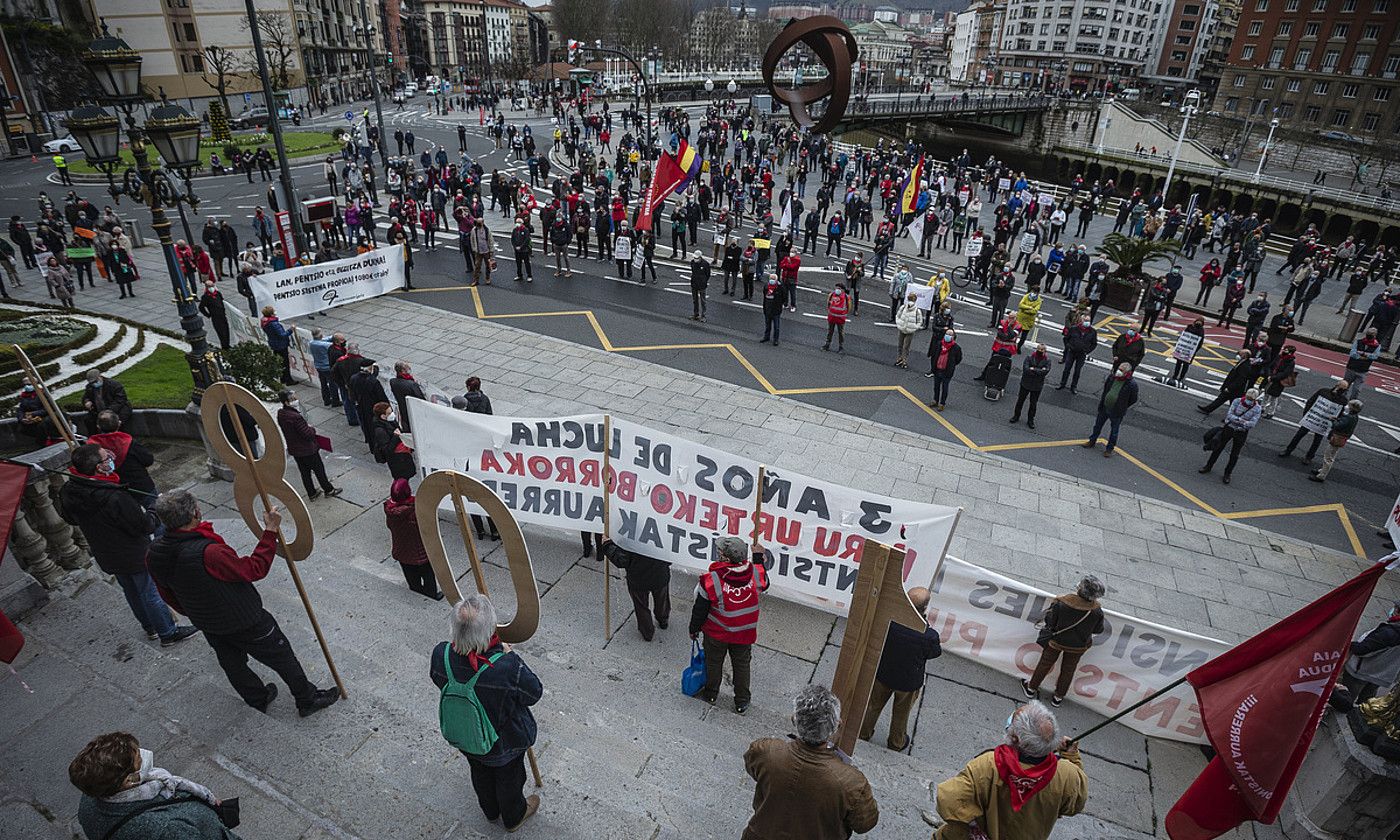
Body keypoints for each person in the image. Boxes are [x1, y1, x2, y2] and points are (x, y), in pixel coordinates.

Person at [146, 490, 340, 716]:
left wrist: (194, 612)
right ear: (195, 514)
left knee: (232, 664)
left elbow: (166, 593)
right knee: (282, 656)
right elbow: (253, 569)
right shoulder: (209, 552)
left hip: (208, 622)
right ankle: (306, 699)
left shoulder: (154, 553)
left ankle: (257, 698)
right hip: (243, 619)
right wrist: (270, 532)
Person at [57, 444, 197, 647]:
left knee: (131, 590)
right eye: (106, 458)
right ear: (98, 467)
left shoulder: (70, 490)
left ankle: (150, 627)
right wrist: (153, 508)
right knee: (150, 592)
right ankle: (168, 632)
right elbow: (145, 526)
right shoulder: (114, 496)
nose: (110, 460)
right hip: (133, 553)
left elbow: (70, 519)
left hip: (106, 552)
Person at [431, 594, 542, 832]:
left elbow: (437, 679)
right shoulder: (505, 667)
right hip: (505, 742)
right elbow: (534, 693)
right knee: (510, 779)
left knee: (479, 772)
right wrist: (512, 656)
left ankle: (490, 811)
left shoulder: (441, 655)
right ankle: (513, 816)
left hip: (467, 735)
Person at [931, 700, 1087, 839]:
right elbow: (1075, 804)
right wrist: (1072, 756)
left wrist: (973, 827)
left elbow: (948, 800)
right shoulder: (1068, 775)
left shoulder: (988, 765)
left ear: (1015, 739)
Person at [742, 684, 880, 840]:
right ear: (837, 725)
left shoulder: (765, 752)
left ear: (794, 720)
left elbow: (751, 765)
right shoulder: (852, 782)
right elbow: (865, 823)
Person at [69, 732, 240, 840]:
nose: (145, 755)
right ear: (129, 780)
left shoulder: (90, 799)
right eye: (139, 760)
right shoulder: (166, 828)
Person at [689, 536, 770, 714]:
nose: (717, 554)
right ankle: (742, 701)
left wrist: (693, 629)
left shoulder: (711, 580)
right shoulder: (755, 574)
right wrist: (757, 558)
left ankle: (711, 694)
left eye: (720, 552)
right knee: (741, 666)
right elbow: (764, 581)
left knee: (714, 663)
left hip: (717, 634)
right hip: (744, 634)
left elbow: (700, 610)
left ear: (725, 558)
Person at [860, 587, 941, 751]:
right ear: (925, 608)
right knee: (901, 713)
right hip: (908, 682)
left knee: (873, 706)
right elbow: (934, 653)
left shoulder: (889, 622)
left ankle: (863, 733)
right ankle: (896, 742)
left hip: (884, 674)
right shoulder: (929, 636)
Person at [1022, 575, 1105, 706]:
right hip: (1078, 646)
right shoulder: (1096, 611)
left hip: (1056, 641)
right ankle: (1058, 697)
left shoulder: (1062, 603)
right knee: (1068, 670)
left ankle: (1031, 688)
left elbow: (1050, 621)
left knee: (1045, 663)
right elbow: (1098, 630)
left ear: (1081, 589)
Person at [600, 538, 671, 641]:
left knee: (641, 606)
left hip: (638, 579)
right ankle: (663, 620)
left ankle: (647, 633)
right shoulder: (664, 533)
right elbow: (672, 557)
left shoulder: (630, 535)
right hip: (660, 576)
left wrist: (607, 545)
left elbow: (621, 560)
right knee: (662, 600)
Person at [275, 390, 341, 499]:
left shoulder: (281, 414)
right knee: (319, 470)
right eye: (293, 399)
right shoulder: (296, 417)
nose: (296, 401)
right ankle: (328, 489)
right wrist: (311, 429)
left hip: (295, 449)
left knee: (305, 473)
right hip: (307, 449)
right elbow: (308, 434)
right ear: (286, 402)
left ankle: (312, 493)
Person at [385, 478, 442, 600]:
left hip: (401, 550)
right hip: (420, 551)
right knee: (428, 575)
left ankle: (416, 591)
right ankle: (431, 595)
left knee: (411, 575)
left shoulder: (389, 510)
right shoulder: (414, 510)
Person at [87, 410, 157, 504]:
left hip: (117, 490)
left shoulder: (94, 448)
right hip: (140, 485)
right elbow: (148, 460)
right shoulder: (128, 442)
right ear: (119, 423)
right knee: (156, 510)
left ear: (98, 427)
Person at [1280, 379, 1351, 465]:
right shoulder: (1323, 391)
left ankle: (1309, 457)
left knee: (1317, 440)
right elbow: (1310, 401)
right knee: (1299, 435)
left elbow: (1339, 413)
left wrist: (1332, 425)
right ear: (1337, 386)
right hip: (1312, 418)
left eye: (1344, 389)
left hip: (1323, 423)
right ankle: (1288, 450)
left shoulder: (1342, 400)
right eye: (1342, 388)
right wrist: (1306, 415)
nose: (1342, 391)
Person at [1200, 387, 1262, 484]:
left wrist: (1237, 420)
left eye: (1251, 399)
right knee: (1218, 447)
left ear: (1255, 400)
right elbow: (1229, 415)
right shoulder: (1237, 401)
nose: (1248, 401)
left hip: (1241, 432)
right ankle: (1208, 466)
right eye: (1248, 398)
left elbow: (1252, 424)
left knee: (1234, 454)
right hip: (1229, 429)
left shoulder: (1257, 408)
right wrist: (1243, 421)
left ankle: (1227, 473)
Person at [1341, 601, 1400, 702]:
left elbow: (1362, 649)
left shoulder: (1389, 632)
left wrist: (1349, 644)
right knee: (1367, 699)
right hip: (1382, 674)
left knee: (1346, 696)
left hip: (1361, 671)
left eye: (1395, 608)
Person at [1082, 363, 1138, 457]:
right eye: (1119, 369)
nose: (1118, 372)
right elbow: (1105, 390)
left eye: (1121, 370)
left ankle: (1109, 449)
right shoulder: (1112, 377)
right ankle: (1092, 441)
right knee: (1097, 426)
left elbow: (1133, 399)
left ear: (1127, 373)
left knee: (1114, 431)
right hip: (1105, 406)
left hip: (1117, 411)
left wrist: (1122, 406)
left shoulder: (1131, 384)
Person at [1309, 399, 1362, 483]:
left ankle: (1321, 475)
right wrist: (1338, 419)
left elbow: (1337, 426)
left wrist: (1333, 421)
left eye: (1350, 405)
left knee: (1328, 457)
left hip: (1337, 437)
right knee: (1331, 455)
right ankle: (1322, 470)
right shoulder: (1354, 417)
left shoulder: (1349, 417)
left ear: (1353, 408)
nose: (1347, 406)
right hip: (1342, 438)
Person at [1197, 350, 1255, 415]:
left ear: (1245, 355)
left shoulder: (1245, 366)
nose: (1238, 355)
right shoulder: (1242, 362)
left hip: (1235, 389)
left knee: (1230, 403)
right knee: (1222, 400)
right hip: (1232, 387)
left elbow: (1240, 379)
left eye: (1240, 354)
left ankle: (1234, 417)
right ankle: (1208, 410)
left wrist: (1230, 388)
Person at [1009, 344, 1052, 429]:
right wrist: (1039, 371)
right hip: (1026, 383)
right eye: (1039, 349)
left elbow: (1045, 371)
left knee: (1033, 404)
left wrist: (1033, 369)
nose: (1040, 351)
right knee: (1020, 401)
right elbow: (1026, 369)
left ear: (1045, 351)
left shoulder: (1047, 360)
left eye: (1042, 350)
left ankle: (1030, 420)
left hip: (1036, 386)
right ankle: (1016, 416)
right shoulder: (1029, 357)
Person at [371, 401, 416, 480]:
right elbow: (387, 450)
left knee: (405, 478)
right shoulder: (380, 431)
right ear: (383, 416)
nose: (392, 414)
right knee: (401, 480)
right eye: (389, 413)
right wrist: (396, 436)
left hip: (403, 456)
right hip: (397, 461)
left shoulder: (390, 421)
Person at [350, 359, 388, 446]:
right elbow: (381, 397)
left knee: (366, 425)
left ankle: (370, 443)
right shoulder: (373, 381)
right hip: (373, 407)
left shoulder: (353, 378)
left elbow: (351, 393)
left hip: (361, 407)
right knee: (375, 427)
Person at [1055, 314, 1097, 394]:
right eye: (1085, 321)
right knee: (1067, 369)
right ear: (1081, 321)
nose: (1087, 322)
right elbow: (1066, 338)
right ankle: (1062, 384)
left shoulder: (1093, 332)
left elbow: (1094, 344)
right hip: (1072, 352)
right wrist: (1069, 347)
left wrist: (1087, 351)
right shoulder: (1074, 329)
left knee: (1077, 371)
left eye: (1088, 321)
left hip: (1082, 354)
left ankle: (1073, 387)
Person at [82, 369, 132, 434]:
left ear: (100, 377)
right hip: (99, 411)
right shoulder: (90, 387)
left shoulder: (114, 384)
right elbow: (85, 397)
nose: (94, 384)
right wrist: (87, 401)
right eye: (92, 383)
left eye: (95, 381)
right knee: (88, 420)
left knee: (114, 421)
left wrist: (108, 411)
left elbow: (120, 399)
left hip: (118, 410)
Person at [926, 327, 962, 412]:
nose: (947, 336)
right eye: (947, 334)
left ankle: (942, 403)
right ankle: (935, 400)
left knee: (945, 388)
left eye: (950, 335)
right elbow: (935, 354)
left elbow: (958, 359)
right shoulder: (939, 344)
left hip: (947, 372)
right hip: (937, 369)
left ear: (953, 337)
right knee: (936, 386)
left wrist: (951, 365)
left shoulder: (956, 348)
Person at [260, 306, 296, 386]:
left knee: (280, 362)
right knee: (285, 363)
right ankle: (288, 380)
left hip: (274, 344)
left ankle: (282, 378)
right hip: (281, 345)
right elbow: (282, 335)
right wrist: (291, 330)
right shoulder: (274, 324)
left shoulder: (265, 322)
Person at [1344, 327, 1382, 400]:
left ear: (1375, 336)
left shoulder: (1377, 346)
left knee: (1357, 390)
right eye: (1368, 334)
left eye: (1371, 334)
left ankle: (1351, 403)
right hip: (1351, 368)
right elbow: (1352, 353)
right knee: (1345, 386)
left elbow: (1375, 356)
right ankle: (1341, 400)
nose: (1369, 335)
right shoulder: (1358, 341)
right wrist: (1365, 357)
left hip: (1363, 370)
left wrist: (1363, 354)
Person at [389, 360, 426, 433]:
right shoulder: (411, 384)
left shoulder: (392, 381)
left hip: (403, 408)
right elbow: (421, 398)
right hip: (413, 409)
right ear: (403, 371)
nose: (409, 369)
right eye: (407, 368)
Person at [893, 291, 921, 369]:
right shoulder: (903, 307)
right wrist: (899, 324)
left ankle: (904, 360)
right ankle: (900, 358)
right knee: (900, 344)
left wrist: (914, 327)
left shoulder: (917, 311)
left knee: (905, 346)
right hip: (902, 328)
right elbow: (898, 316)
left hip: (910, 331)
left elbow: (919, 321)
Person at [760, 273, 787, 346]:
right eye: (771, 279)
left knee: (776, 326)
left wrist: (782, 304)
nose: (772, 281)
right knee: (767, 325)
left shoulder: (780, 287)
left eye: (773, 279)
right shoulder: (766, 286)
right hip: (768, 308)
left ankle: (776, 339)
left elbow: (784, 296)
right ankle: (766, 337)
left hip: (776, 309)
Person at [823, 282, 850, 353]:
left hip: (840, 318)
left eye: (839, 288)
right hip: (832, 317)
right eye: (836, 288)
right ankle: (827, 344)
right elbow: (828, 304)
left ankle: (841, 347)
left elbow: (849, 307)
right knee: (830, 331)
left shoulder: (846, 297)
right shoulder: (831, 295)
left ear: (843, 290)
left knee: (840, 332)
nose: (837, 290)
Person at [689, 254, 710, 321]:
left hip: (702, 285)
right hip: (694, 283)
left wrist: (704, 281)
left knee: (703, 301)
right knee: (695, 300)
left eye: (697, 258)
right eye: (694, 258)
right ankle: (696, 314)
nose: (695, 259)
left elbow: (708, 274)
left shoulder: (705, 264)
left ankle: (704, 316)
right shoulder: (692, 262)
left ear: (700, 257)